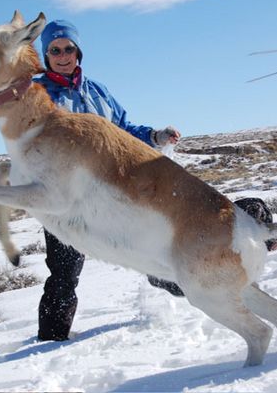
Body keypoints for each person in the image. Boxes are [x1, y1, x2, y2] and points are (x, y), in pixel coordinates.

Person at [33, 20, 182, 341]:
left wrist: (156, 136)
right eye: (54, 50)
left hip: (110, 193)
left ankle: (204, 290)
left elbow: (123, 129)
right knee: (63, 274)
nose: (62, 55)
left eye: (68, 48)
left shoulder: (97, 90)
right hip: (64, 201)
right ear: (45, 55)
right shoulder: (35, 92)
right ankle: (48, 344)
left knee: (151, 250)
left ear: (78, 51)